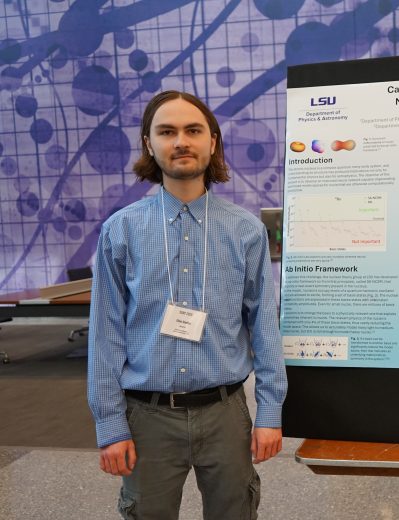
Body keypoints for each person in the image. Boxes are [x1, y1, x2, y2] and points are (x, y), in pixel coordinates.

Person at [87, 90, 287, 519]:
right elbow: (106, 334)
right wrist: (110, 424)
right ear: (149, 144)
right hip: (146, 417)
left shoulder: (245, 231)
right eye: (167, 131)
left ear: (212, 142)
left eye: (193, 130)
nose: (181, 141)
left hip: (226, 414)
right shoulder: (121, 231)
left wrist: (270, 411)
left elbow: (265, 328)